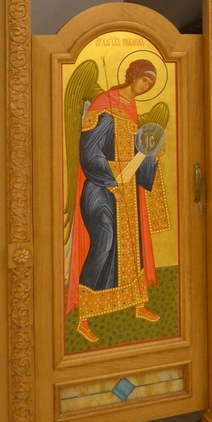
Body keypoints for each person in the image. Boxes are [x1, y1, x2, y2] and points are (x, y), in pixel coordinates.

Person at [65, 59, 168, 344]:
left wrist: (151, 157)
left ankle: (138, 305)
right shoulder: (103, 104)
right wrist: (111, 184)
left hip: (128, 189)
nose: (145, 86)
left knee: (132, 248)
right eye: (144, 80)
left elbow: (136, 155)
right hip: (100, 188)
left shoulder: (130, 109)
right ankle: (84, 318)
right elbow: (90, 152)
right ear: (133, 76)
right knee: (105, 243)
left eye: (150, 84)